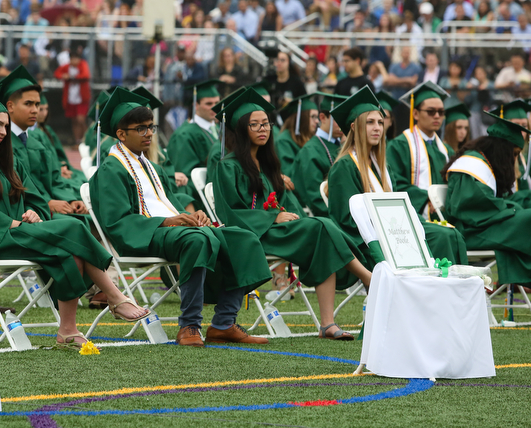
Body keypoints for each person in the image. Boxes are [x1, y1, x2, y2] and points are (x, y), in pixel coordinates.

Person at [0, 89, 149, 349]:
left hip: (19, 233)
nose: (3, 132)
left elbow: (32, 195)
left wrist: (32, 212)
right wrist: (14, 223)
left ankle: (67, 331)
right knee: (74, 228)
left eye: (5, 126)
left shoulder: (7, 161)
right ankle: (116, 296)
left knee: (70, 254)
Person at [90, 87, 273, 347]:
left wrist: (191, 215)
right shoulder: (112, 168)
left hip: (170, 231)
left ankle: (223, 323)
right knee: (194, 240)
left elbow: (169, 204)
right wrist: (168, 222)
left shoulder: (150, 166)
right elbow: (117, 222)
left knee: (242, 238)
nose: (149, 134)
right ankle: (189, 325)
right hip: (143, 235)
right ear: (121, 134)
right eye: (140, 129)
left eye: (151, 127)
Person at [213, 87, 372, 340]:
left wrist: (293, 217)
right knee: (321, 228)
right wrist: (272, 218)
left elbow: (286, 203)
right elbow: (229, 213)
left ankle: (328, 324)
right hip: (253, 235)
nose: (263, 129)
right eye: (254, 125)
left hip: (278, 231)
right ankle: (367, 277)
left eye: (265, 123)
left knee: (321, 231)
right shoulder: (227, 167)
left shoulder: (268, 165)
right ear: (242, 130)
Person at [327, 87, 467, 270]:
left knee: (449, 232)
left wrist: (417, 223)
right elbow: (345, 220)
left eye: (380, 122)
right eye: (370, 122)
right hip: (370, 240)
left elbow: (400, 205)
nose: (377, 127)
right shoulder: (344, 167)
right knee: (442, 236)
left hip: (394, 231)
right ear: (354, 127)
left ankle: (457, 292)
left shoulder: (382, 166)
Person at [442, 104, 531, 328]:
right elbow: (469, 206)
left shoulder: (485, 164)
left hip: (489, 226)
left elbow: (495, 202)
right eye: (513, 154)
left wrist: (511, 207)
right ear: (502, 149)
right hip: (471, 232)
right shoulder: (471, 164)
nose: (513, 160)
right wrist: (511, 209)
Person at [0, 65, 87, 218]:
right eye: (28, 104)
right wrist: (47, 203)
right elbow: (12, 188)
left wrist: (71, 200)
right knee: (77, 225)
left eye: (37, 105)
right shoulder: (1, 144)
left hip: (46, 206)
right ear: (10, 106)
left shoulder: (36, 144)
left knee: (90, 217)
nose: (35, 110)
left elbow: (55, 180)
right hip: (25, 212)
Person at [387, 82, 454, 220]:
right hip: (414, 216)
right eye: (431, 111)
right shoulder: (399, 146)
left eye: (441, 112)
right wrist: (425, 199)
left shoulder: (447, 151)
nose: (437, 116)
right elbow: (394, 183)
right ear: (415, 114)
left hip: (446, 214)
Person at [166, 79, 222, 210]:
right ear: (195, 105)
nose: (214, 107)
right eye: (209, 103)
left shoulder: (220, 129)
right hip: (202, 200)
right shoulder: (184, 135)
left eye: (217, 103)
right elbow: (184, 177)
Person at [292, 93, 345, 217]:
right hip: (328, 219)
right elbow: (315, 197)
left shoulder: (341, 146)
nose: (344, 123)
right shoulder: (310, 151)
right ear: (323, 117)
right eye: (338, 118)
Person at [31, 91, 87, 189]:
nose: (44, 113)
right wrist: (58, 169)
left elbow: (60, 155)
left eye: (46, 109)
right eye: (41, 109)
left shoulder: (48, 131)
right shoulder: (31, 134)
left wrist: (64, 166)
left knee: (84, 180)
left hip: (57, 170)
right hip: (49, 175)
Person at [276, 94, 320, 176]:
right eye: (313, 116)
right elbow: (288, 173)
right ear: (301, 118)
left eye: (317, 117)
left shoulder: (313, 138)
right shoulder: (284, 141)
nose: (317, 121)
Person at [54, 47, 91, 144]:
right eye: (72, 59)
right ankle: (77, 141)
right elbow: (57, 73)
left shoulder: (83, 64)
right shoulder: (67, 67)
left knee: (81, 119)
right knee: (74, 121)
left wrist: (71, 77)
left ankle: (87, 140)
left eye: (76, 58)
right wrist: (63, 76)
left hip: (81, 98)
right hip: (70, 98)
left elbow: (86, 75)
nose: (74, 61)